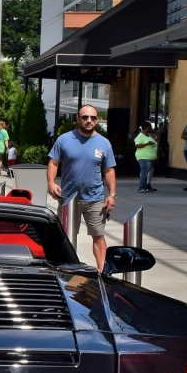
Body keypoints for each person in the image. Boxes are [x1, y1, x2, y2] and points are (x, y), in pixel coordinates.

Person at [46, 105, 117, 270]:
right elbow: (53, 162)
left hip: (95, 199)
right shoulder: (64, 139)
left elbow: (109, 170)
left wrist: (112, 194)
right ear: (78, 119)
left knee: (98, 236)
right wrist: (51, 182)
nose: (88, 120)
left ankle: (102, 272)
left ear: (97, 120)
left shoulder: (104, 143)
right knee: (65, 238)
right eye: (85, 117)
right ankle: (65, 269)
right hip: (68, 198)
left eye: (92, 118)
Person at [134, 121, 158, 192]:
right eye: (150, 126)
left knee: (148, 172)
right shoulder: (140, 136)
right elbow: (137, 145)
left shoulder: (148, 135)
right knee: (144, 172)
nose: (151, 128)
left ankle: (147, 186)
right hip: (144, 157)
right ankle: (142, 188)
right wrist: (147, 144)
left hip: (150, 157)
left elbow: (152, 143)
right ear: (147, 127)